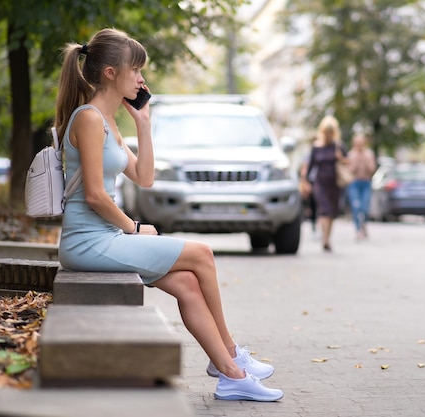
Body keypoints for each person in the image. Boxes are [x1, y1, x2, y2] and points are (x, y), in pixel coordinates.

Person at [55, 28, 283, 402]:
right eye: (135, 70)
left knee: (189, 286)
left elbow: (144, 178)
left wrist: (143, 124)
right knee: (202, 254)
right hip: (87, 242)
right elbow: (94, 195)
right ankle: (231, 352)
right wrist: (136, 227)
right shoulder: (89, 119)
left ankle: (230, 375)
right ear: (111, 72)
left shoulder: (108, 122)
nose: (142, 78)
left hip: (107, 239)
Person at [306, 115, 348, 252]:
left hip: (335, 183)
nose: (329, 135)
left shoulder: (338, 146)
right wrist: (306, 182)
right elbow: (310, 166)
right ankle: (324, 239)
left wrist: (340, 158)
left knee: (331, 212)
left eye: (331, 132)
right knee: (324, 210)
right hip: (320, 182)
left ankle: (327, 237)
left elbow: (348, 162)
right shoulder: (317, 147)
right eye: (326, 132)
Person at [346, 134, 377, 240]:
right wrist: (356, 161)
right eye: (357, 143)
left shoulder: (369, 154)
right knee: (356, 207)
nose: (359, 145)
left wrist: (365, 160)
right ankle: (358, 228)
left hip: (366, 183)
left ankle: (364, 224)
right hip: (354, 183)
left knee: (364, 206)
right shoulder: (351, 154)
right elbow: (349, 171)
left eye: (361, 143)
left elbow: (372, 169)